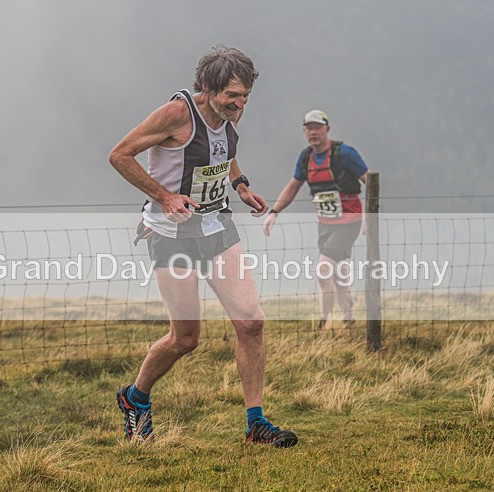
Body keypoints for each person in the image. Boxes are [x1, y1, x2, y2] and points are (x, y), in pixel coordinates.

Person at [108, 46, 297, 448]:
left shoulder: (227, 116)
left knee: (251, 322)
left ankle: (255, 424)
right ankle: (135, 397)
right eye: (232, 96)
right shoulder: (177, 114)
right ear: (208, 88)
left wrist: (241, 186)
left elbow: (225, 153)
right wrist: (163, 196)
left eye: (246, 96)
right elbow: (119, 155)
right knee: (186, 339)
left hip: (216, 227)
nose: (240, 104)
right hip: (170, 235)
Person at [262, 110, 368, 330]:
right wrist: (274, 212)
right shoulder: (306, 157)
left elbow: (371, 181)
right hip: (325, 224)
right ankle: (348, 319)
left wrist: (369, 217)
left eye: (317, 127)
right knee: (338, 273)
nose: (313, 132)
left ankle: (323, 322)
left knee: (323, 270)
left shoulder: (345, 153)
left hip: (349, 222)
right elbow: (293, 186)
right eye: (309, 128)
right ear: (304, 131)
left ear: (327, 129)